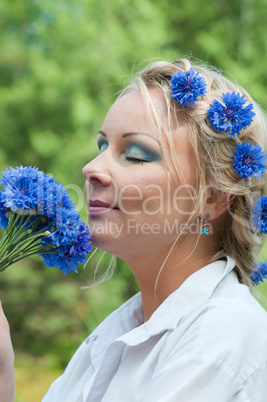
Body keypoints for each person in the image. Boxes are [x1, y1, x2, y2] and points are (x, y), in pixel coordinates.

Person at [1, 57, 267, 401]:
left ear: (213, 197)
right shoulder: (112, 335)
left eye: (136, 154)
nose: (90, 168)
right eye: (102, 146)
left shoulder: (220, 341)